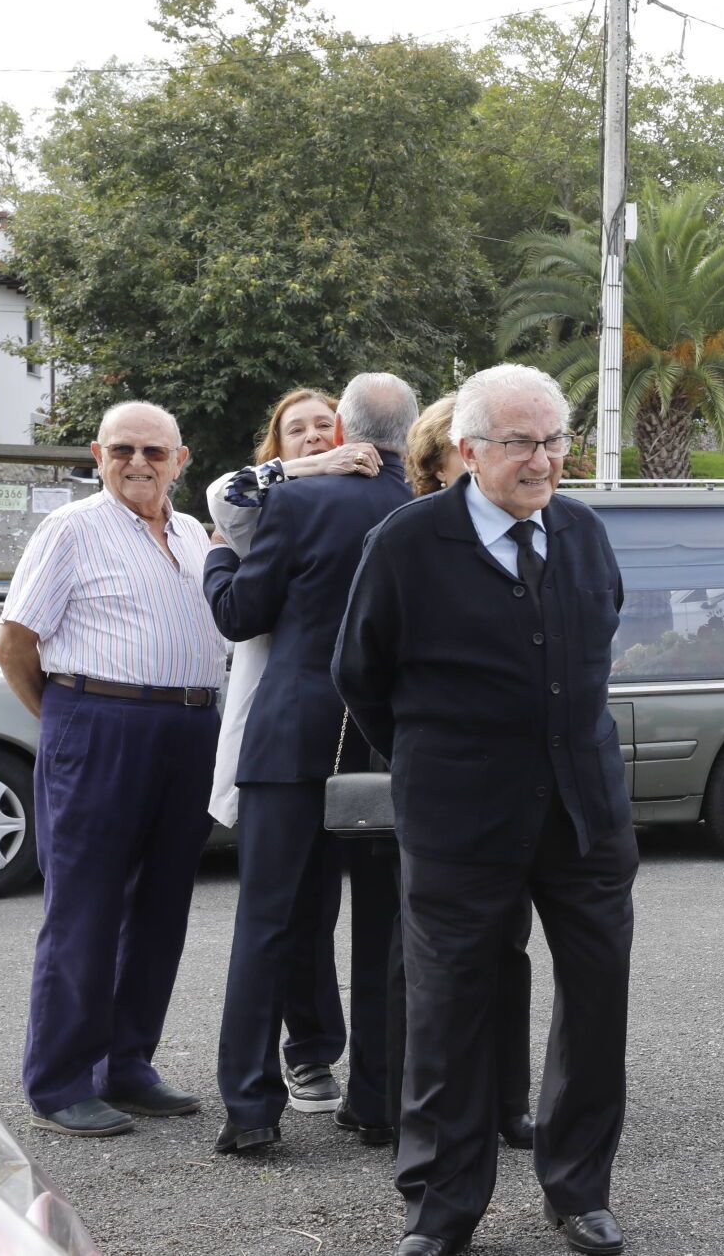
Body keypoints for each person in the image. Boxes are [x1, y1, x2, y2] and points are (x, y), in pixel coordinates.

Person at [335, 364, 636, 1256]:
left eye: (553, 441)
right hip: (459, 821)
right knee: (449, 1014)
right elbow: (362, 677)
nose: (542, 460)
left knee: (596, 1003)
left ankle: (579, 1188)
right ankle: (440, 1207)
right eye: (520, 443)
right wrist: (441, 763)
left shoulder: (582, 534)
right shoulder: (406, 543)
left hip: (584, 814)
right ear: (468, 450)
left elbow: (599, 644)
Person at [0, 402, 227, 1138]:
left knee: (160, 908)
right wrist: (68, 721)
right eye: (122, 448)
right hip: (97, 721)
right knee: (84, 910)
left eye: (154, 451)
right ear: (98, 454)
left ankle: (126, 1066)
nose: (138, 462)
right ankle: (60, 1081)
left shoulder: (193, 535)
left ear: (180, 460)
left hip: (191, 727)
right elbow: (12, 642)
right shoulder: (71, 528)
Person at [205, 374, 418, 1156]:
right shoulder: (426, 511)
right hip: (389, 741)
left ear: (345, 432)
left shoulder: (296, 503)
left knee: (266, 921)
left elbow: (241, 613)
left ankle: (252, 1109)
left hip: (294, 734)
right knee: (386, 928)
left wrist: (219, 561)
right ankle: (378, 1101)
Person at [390, 391, 536, 1151]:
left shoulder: (549, 533)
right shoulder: (409, 539)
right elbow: (367, 667)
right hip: (442, 794)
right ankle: (402, 1108)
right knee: (429, 970)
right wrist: (428, 753)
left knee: (503, 958)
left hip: (519, 799)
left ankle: (508, 1100)